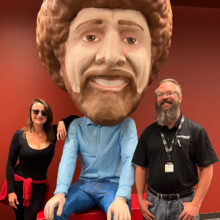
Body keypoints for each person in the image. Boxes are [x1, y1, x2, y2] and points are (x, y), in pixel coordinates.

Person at [36, 0, 173, 219]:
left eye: (131, 39)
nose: (111, 58)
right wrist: (60, 192)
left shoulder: (126, 125)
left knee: (119, 215)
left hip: (113, 186)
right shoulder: (78, 127)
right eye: (90, 37)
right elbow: (68, 159)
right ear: (60, 63)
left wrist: (121, 196)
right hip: (83, 185)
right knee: (55, 212)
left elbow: (131, 158)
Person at [132, 78, 218, 220]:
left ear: (180, 97)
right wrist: (140, 199)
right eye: (160, 94)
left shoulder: (196, 131)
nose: (165, 97)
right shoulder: (148, 133)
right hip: (154, 204)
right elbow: (141, 167)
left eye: (170, 93)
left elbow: (207, 169)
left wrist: (196, 204)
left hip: (184, 204)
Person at [0, 98, 78, 220]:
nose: (39, 115)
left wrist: (63, 122)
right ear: (30, 113)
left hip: (38, 188)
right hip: (18, 186)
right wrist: (11, 192)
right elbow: (10, 164)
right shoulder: (20, 135)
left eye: (43, 112)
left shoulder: (52, 133)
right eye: (36, 111)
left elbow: (75, 118)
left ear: (48, 115)